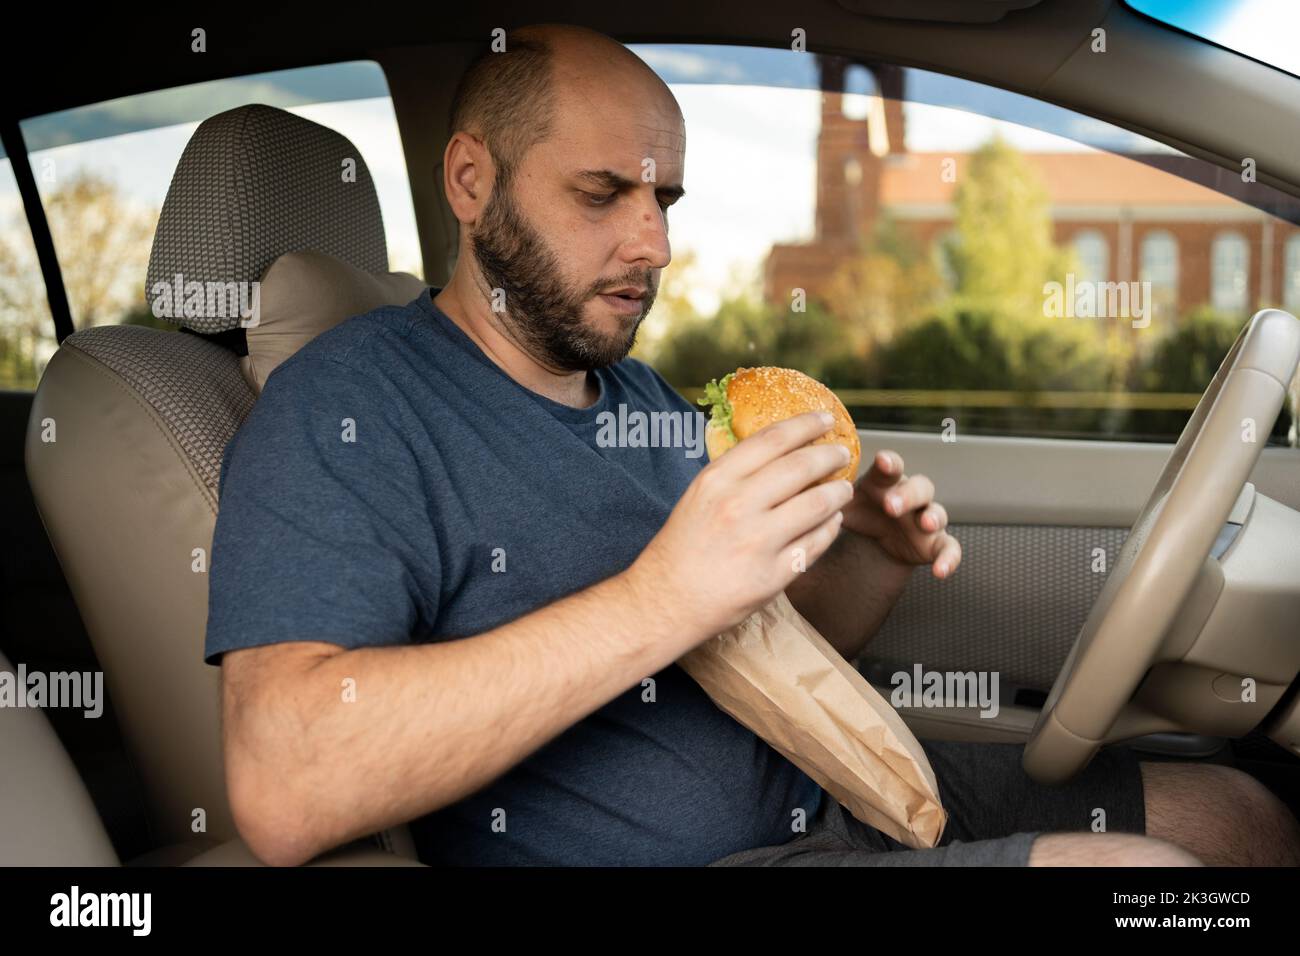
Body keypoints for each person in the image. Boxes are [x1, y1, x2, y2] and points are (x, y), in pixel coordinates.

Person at [205, 23, 1300, 867]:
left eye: (665, 198)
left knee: (1241, 815)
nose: (655, 243)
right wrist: (657, 596)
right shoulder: (346, 406)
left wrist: (864, 553)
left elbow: (757, 644)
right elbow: (285, 778)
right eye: (603, 194)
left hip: (843, 782)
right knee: (1155, 883)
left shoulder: (636, 393)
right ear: (470, 181)